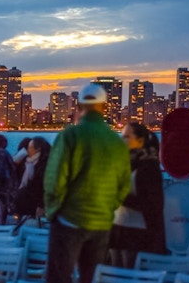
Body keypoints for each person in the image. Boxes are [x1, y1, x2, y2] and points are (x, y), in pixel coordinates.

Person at [44, 83, 131, 283]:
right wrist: (108, 207)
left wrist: (53, 210)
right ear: (104, 107)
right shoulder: (116, 142)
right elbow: (123, 185)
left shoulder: (70, 135)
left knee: (59, 276)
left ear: (79, 106)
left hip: (69, 220)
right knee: (90, 278)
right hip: (101, 221)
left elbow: (54, 180)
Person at [109, 123, 166, 268]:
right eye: (122, 136)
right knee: (115, 273)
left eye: (127, 136)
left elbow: (153, 205)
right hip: (117, 229)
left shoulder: (149, 168)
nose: (122, 140)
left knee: (130, 273)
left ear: (140, 141)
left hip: (138, 234)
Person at [13, 136, 51, 218]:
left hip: (36, 203)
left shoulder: (44, 164)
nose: (27, 150)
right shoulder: (28, 162)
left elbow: (45, 186)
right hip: (25, 201)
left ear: (38, 149)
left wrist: (41, 205)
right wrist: (16, 164)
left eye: (30, 147)